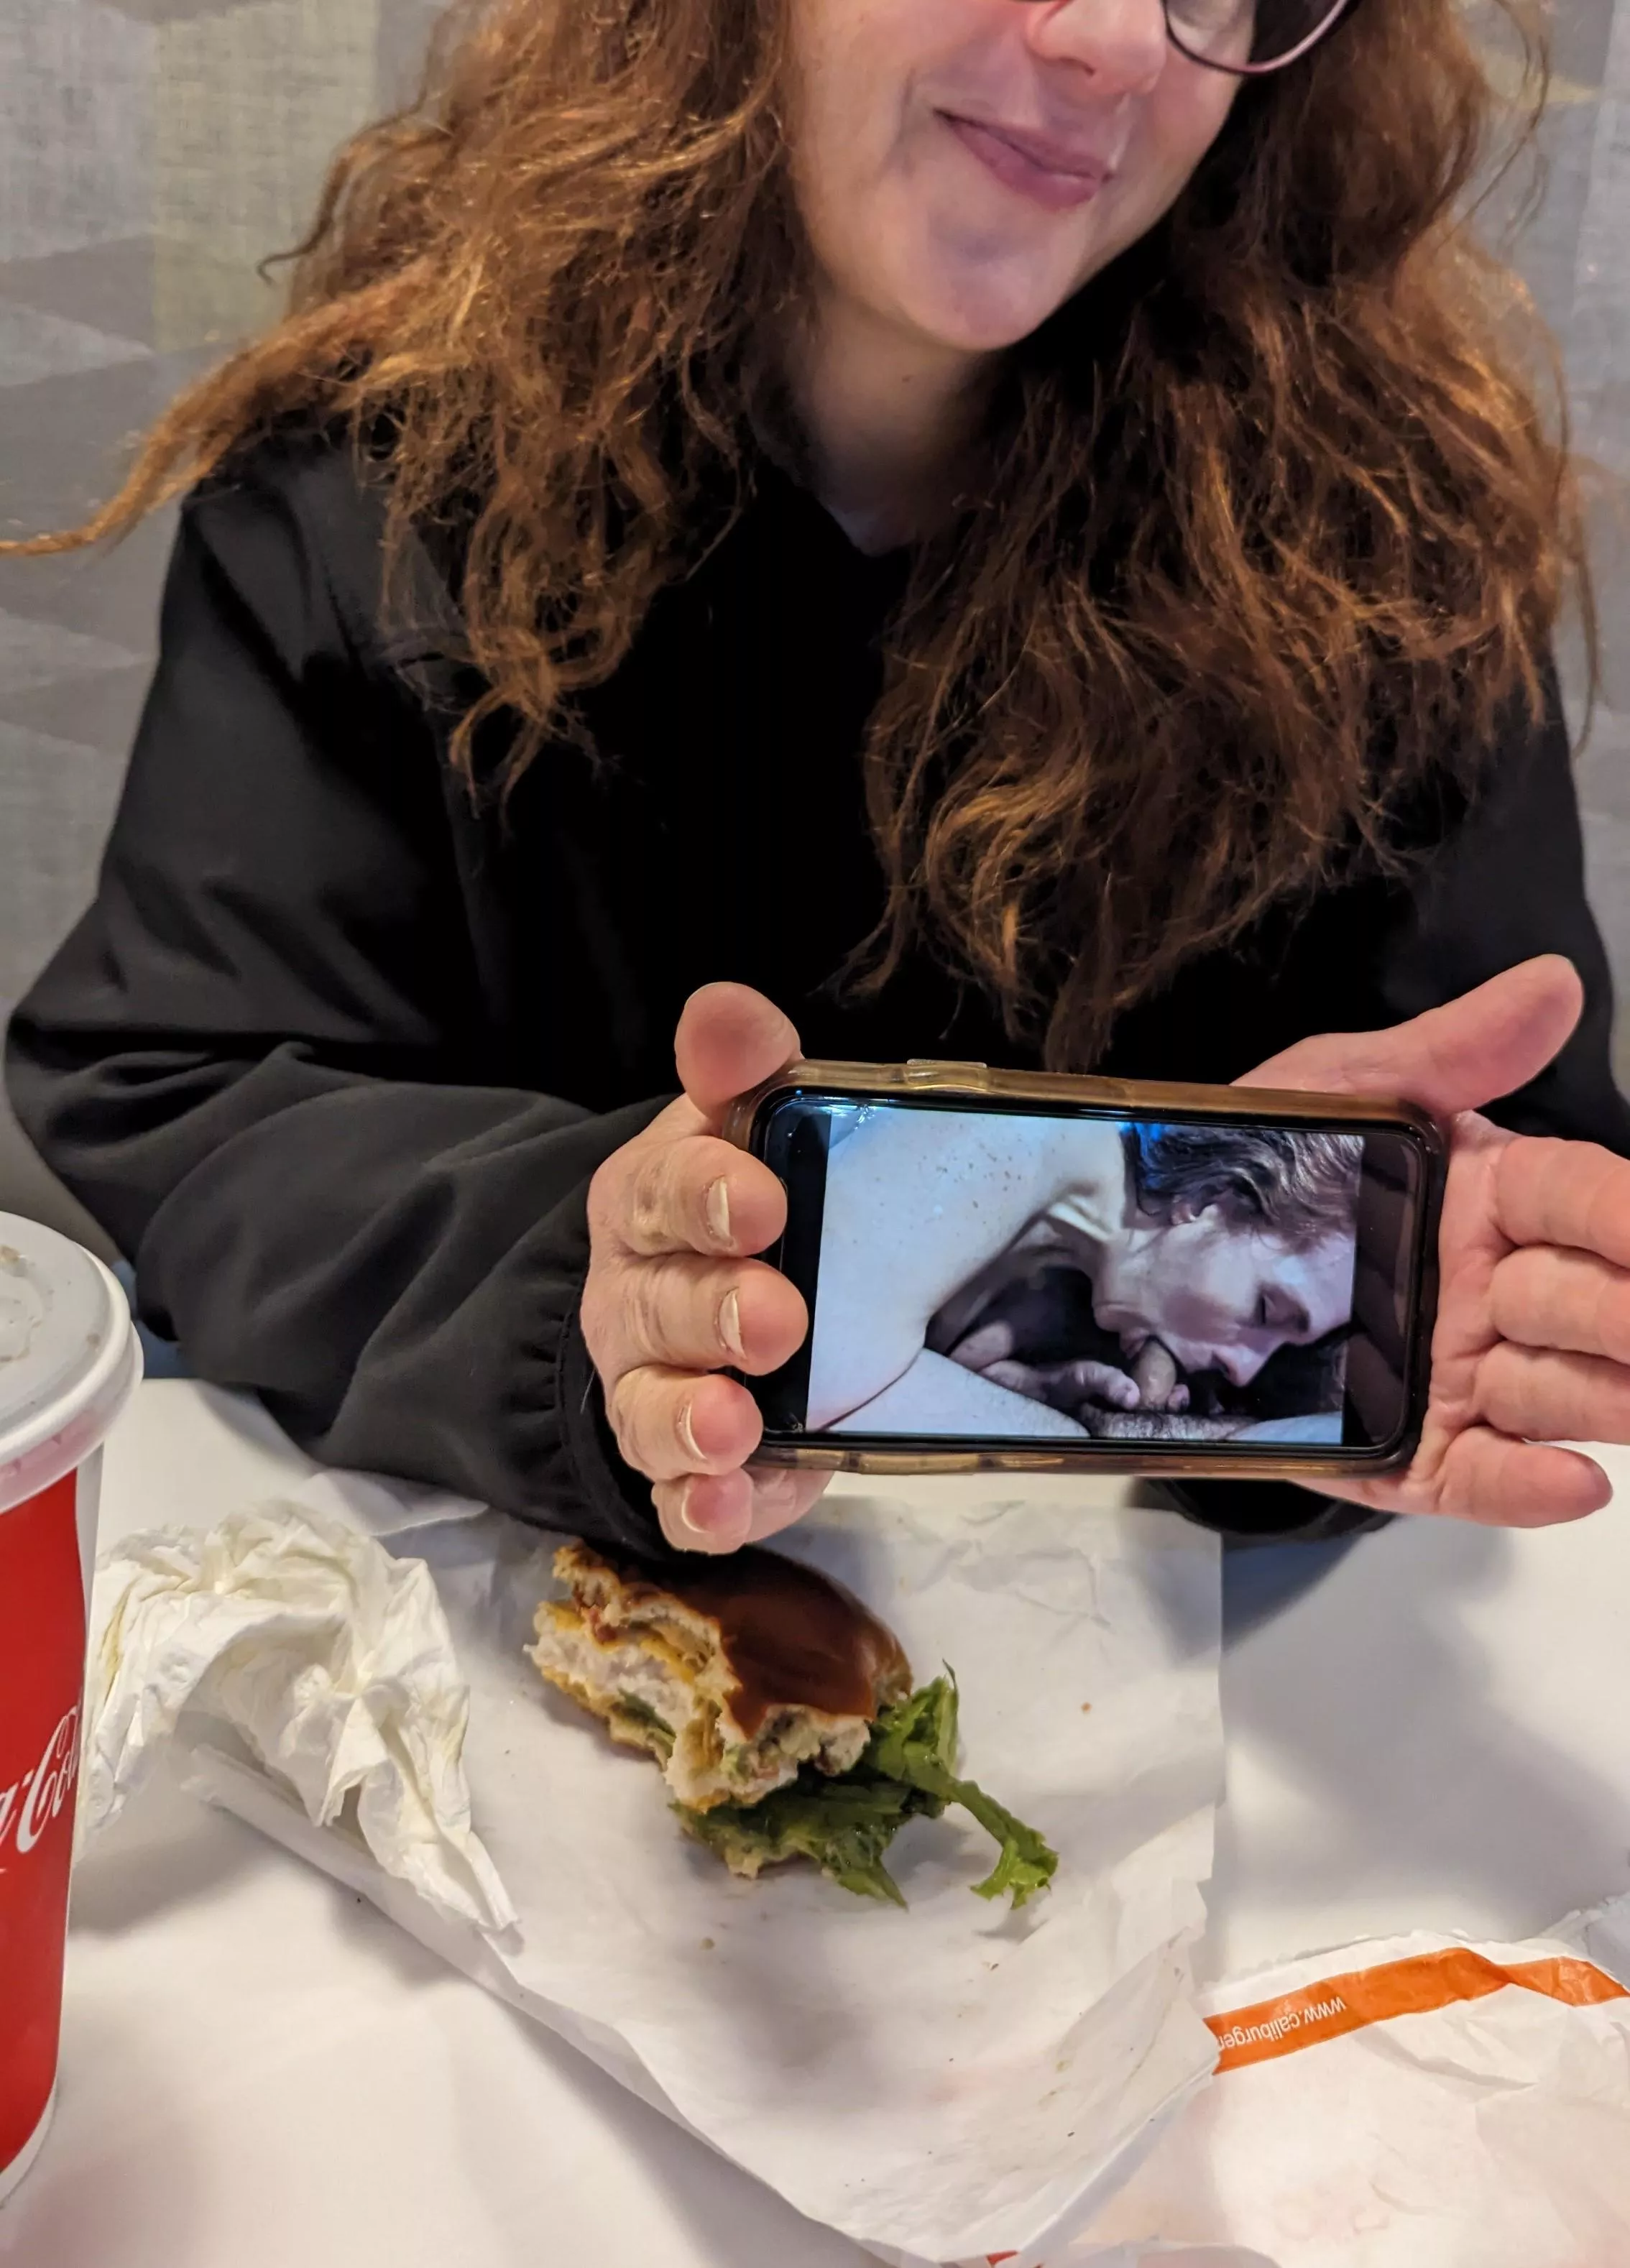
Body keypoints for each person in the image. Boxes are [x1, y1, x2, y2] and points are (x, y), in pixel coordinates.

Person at [6, 0, 1630, 1564]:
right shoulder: (372, 491)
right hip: (495, 1680)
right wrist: (581, 1289)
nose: (1125, 37)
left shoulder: (1397, 557)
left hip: (1233, 1733)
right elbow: (183, 1092)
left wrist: (1313, 1331)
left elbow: (1503, 1193)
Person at [801, 1110, 1363, 1437]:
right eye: (1266, 1311)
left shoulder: (1069, 1265)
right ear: (1206, 1197)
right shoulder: (1006, 1140)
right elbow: (806, 1384)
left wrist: (1036, 1389)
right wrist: (1085, 1433)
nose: (1244, 1369)